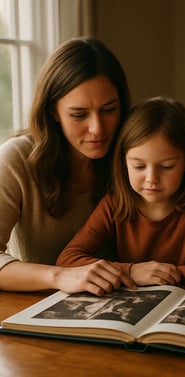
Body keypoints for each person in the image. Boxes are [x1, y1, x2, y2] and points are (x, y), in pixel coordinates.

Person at [0, 37, 136, 295]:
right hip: (33, 310)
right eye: (79, 115)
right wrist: (60, 276)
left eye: (109, 110)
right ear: (53, 112)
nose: (97, 129)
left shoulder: (132, 158)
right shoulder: (16, 159)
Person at [56, 97, 185, 287]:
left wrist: (158, 274)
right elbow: (68, 260)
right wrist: (131, 271)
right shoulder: (114, 204)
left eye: (166, 166)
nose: (151, 178)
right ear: (124, 162)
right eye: (139, 166)